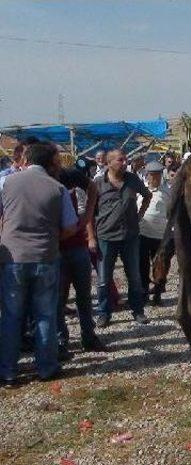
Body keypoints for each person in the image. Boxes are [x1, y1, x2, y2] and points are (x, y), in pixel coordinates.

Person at [0, 142, 78, 387]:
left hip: (13, 258)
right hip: (45, 256)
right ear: (50, 162)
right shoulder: (58, 188)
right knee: (45, 315)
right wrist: (52, 238)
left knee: (12, 316)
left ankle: (9, 371)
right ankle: (46, 367)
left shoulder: (7, 183)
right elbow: (70, 227)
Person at [94, 149, 152, 327]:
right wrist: (91, 236)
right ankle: (104, 313)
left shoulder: (133, 180)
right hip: (106, 237)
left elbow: (147, 196)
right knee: (104, 279)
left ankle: (138, 310)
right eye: (120, 160)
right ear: (108, 163)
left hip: (130, 236)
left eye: (125, 159)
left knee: (134, 276)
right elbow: (90, 210)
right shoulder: (97, 183)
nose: (125, 162)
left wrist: (140, 214)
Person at [55, 163, 106, 355]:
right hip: (56, 249)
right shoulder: (41, 179)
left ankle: (88, 335)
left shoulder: (68, 173)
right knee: (58, 298)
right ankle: (61, 340)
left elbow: (92, 187)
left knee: (83, 295)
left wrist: (87, 216)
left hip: (76, 246)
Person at [138, 160, 170, 305]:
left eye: (158, 175)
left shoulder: (166, 192)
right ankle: (143, 293)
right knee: (142, 266)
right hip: (142, 234)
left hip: (160, 235)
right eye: (152, 175)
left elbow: (170, 212)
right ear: (147, 175)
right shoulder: (141, 190)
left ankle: (157, 293)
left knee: (159, 266)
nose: (155, 178)